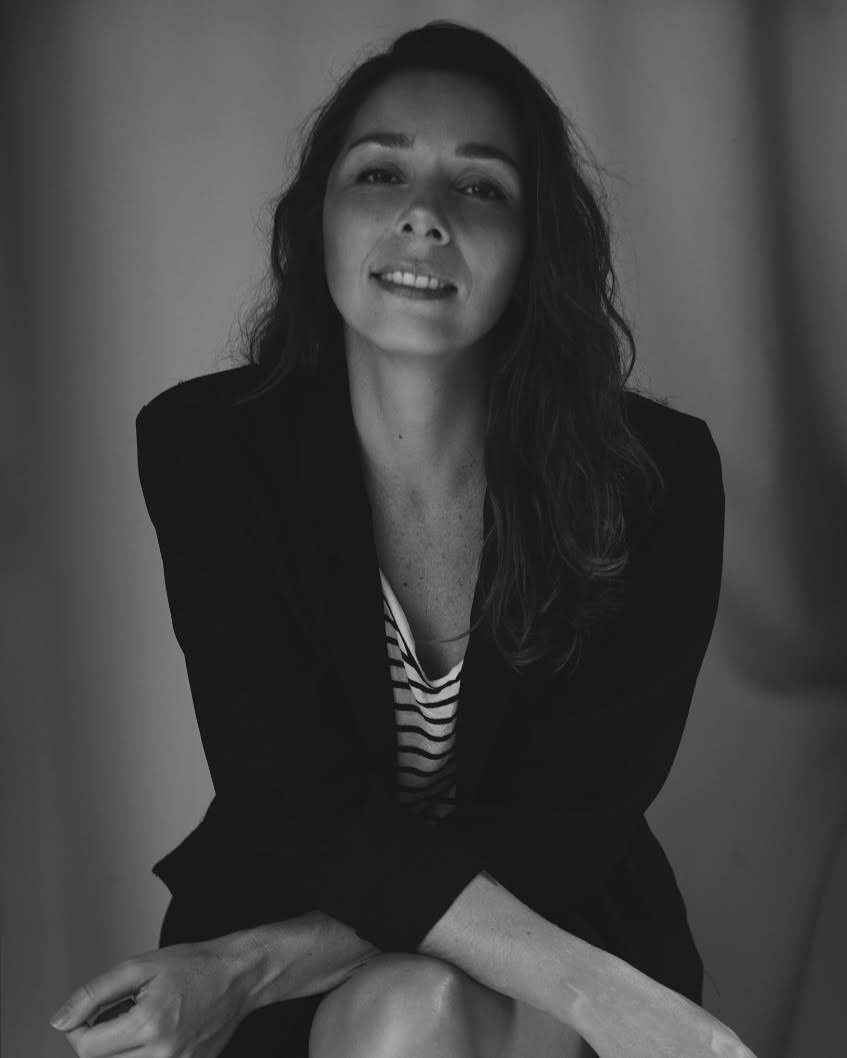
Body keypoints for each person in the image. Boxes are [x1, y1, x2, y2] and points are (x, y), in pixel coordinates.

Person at [49, 20, 756, 1058]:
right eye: (380, 173)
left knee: (410, 1010)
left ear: (535, 245)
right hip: (310, 904)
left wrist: (252, 963)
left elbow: (563, 822)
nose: (424, 214)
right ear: (317, 220)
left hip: (554, 916)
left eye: (479, 186)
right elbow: (296, 799)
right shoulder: (209, 447)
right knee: (402, 1012)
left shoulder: (652, 474)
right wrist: (601, 998)